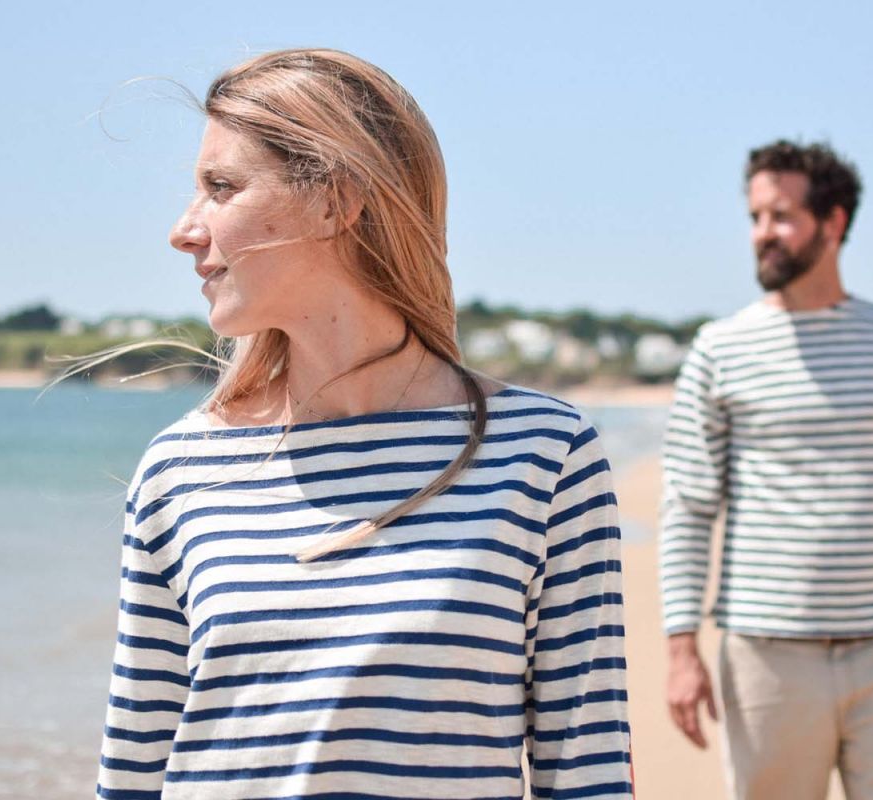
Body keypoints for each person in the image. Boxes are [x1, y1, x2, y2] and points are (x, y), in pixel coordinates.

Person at [94, 49, 633, 800]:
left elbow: (588, 771)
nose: (185, 231)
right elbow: (132, 768)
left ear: (336, 200)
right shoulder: (179, 470)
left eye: (221, 188)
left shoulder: (543, 454)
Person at [658, 140, 873, 799]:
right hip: (766, 658)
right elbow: (690, 507)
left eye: (780, 217)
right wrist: (681, 650)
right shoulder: (719, 349)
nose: (762, 235)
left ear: (833, 223)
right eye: (755, 218)